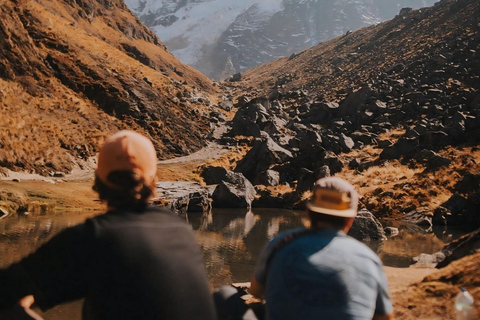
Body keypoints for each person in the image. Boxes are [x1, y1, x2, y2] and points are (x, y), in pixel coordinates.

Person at [0, 130, 217, 320]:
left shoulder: (92, 237)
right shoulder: (180, 228)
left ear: (97, 180)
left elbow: (7, 288)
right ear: (153, 181)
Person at [249, 177, 393, 320]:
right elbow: (384, 316)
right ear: (351, 220)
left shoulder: (281, 242)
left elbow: (255, 290)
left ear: (308, 213)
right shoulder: (369, 258)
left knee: (228, 297)